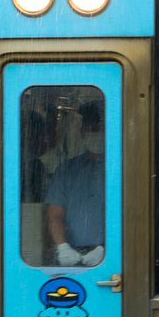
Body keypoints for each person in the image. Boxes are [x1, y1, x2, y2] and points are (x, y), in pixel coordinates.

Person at [45, 101, 105, 267]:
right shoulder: (67, 170)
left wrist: (107, 248)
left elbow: (132, 217)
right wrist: (63, 247)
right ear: (81, 131)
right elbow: (54, 215)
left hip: (114, 255)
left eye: (99, 128)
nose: (95, 132)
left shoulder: (122, 169)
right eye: (90, 128)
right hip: (72, 256)